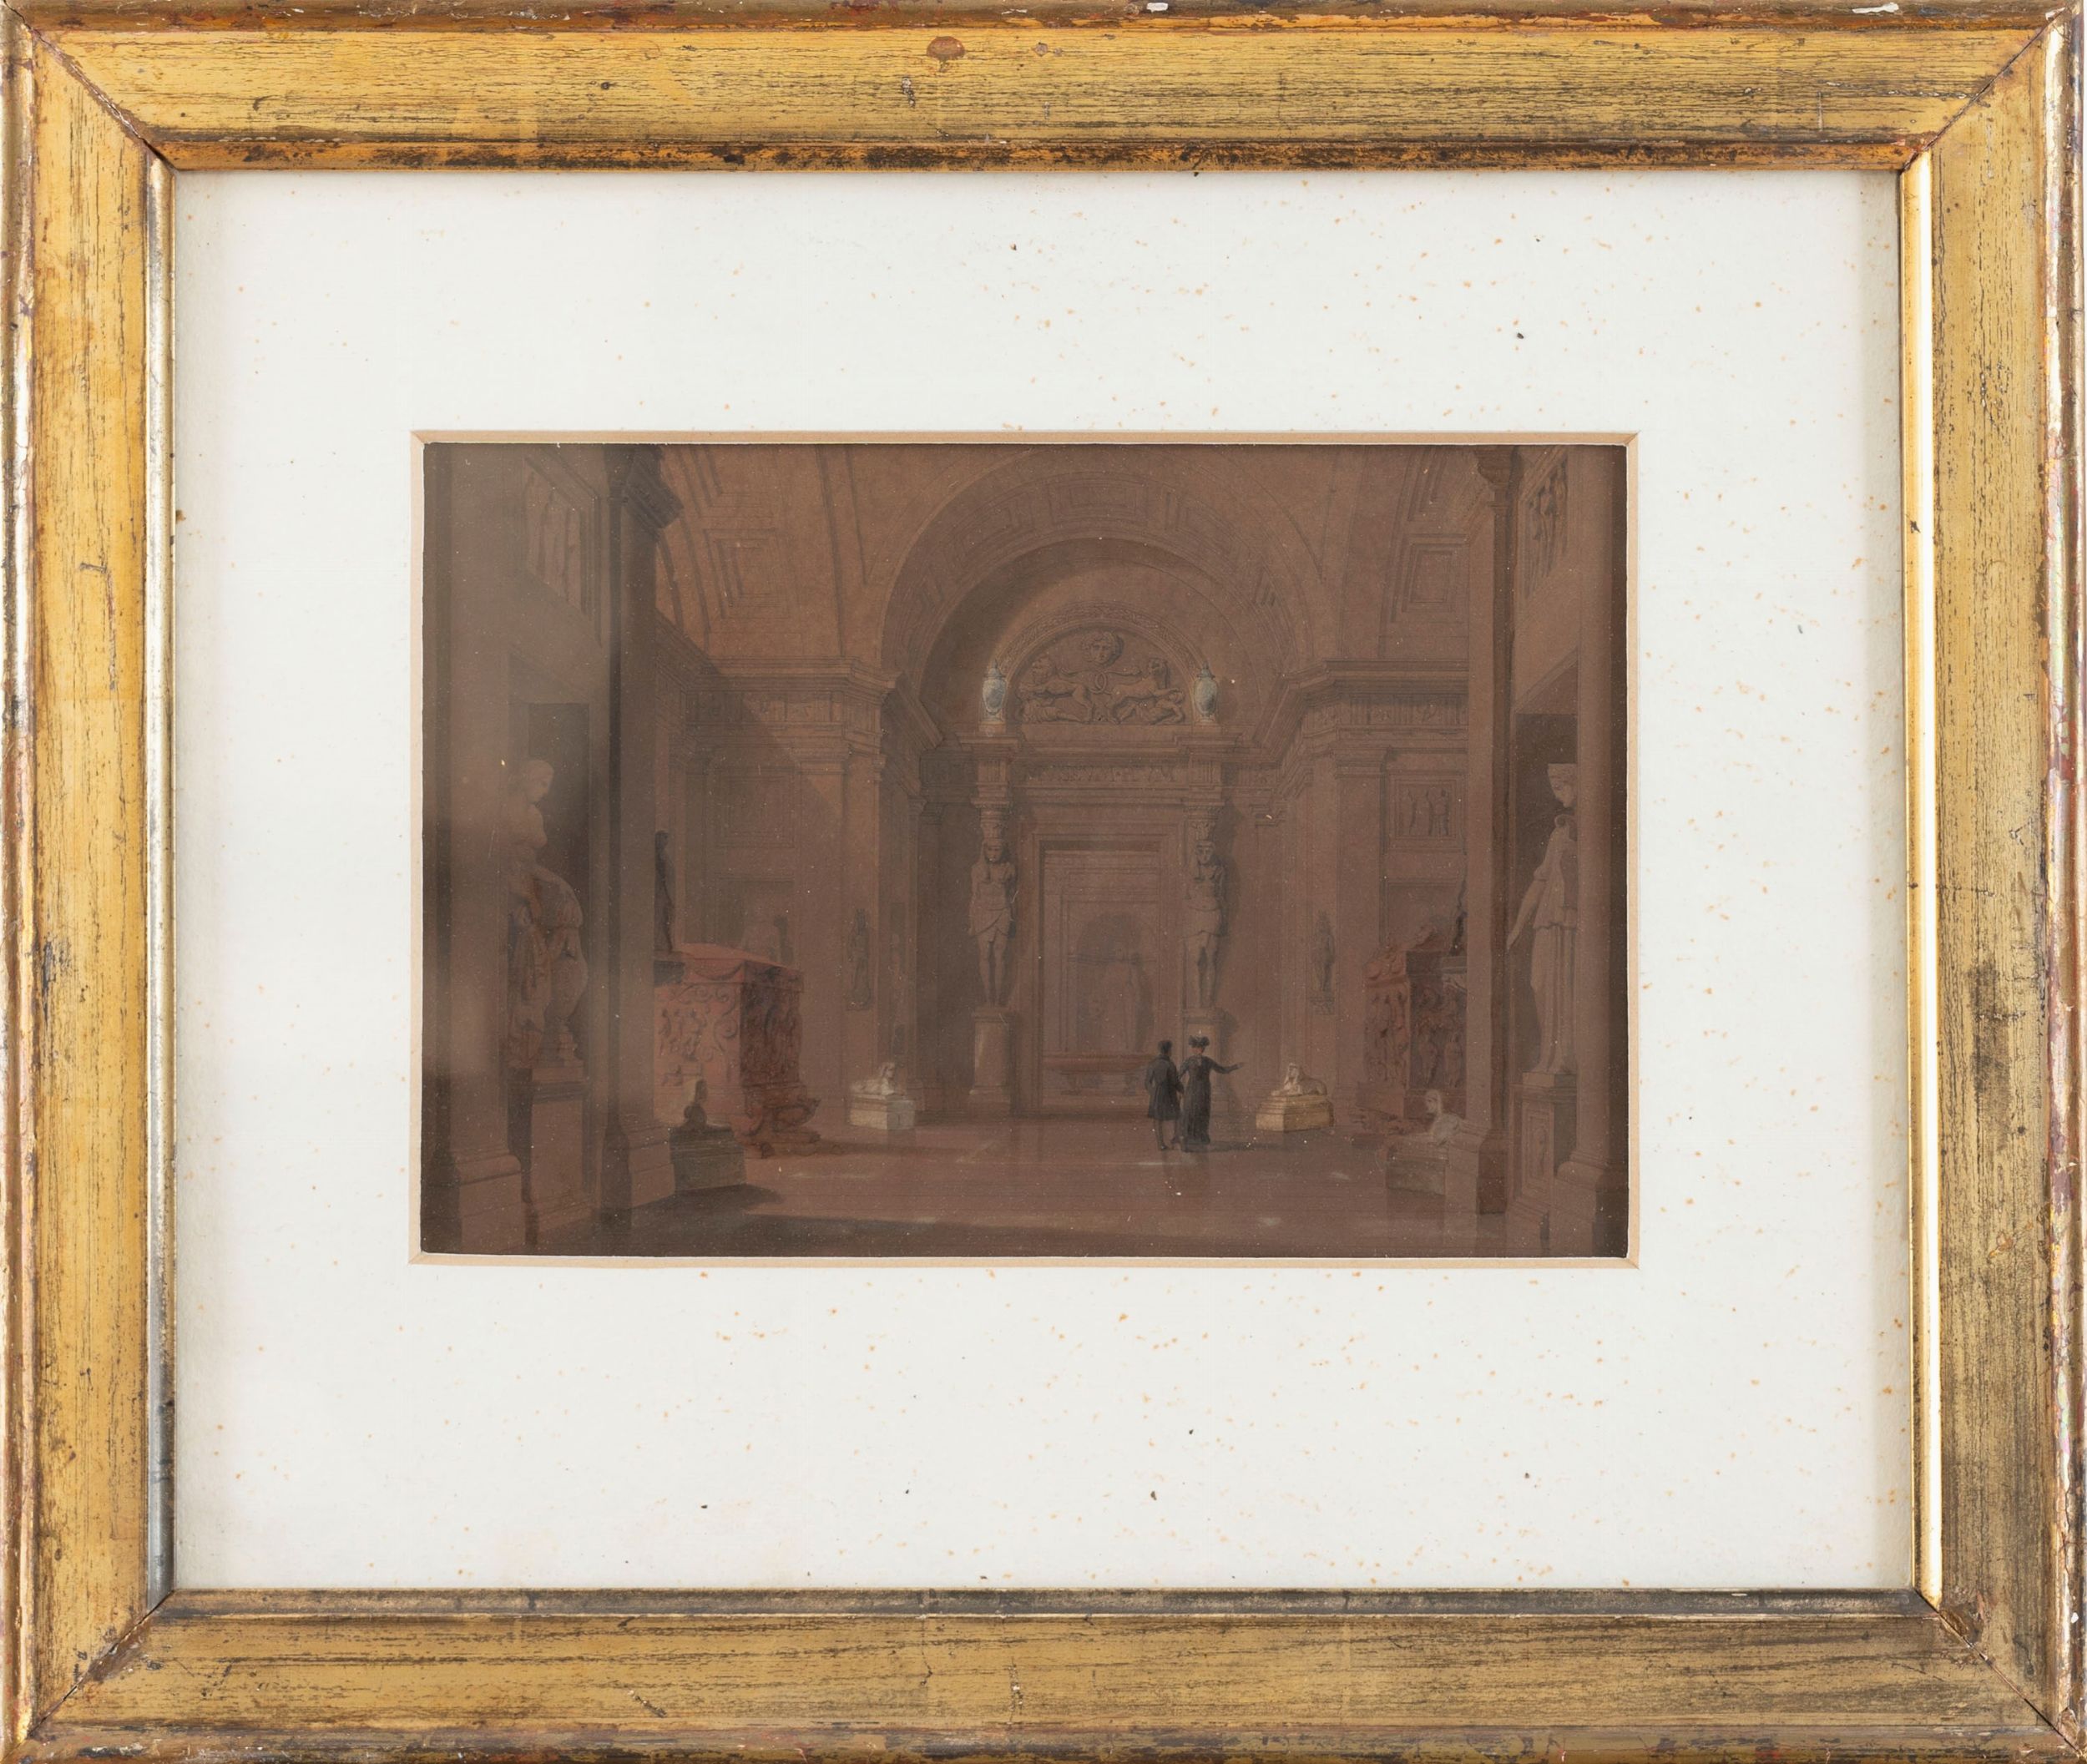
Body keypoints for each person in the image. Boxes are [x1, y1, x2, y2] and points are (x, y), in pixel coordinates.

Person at [1177, 1034, 1241, 1150]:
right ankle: (1189, 1138)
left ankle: (1201, 1137)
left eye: (1202, 1047)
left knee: (1203, 1112)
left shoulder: (1208, 1061)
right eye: (1197, 1047)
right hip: (1192, 1090)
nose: (1200, 1050)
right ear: (1193, 1049)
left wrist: (1235, 1066)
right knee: (1190, 1112)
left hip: (1204, 1091)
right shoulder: (1188, 1061)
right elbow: (1178, 1076)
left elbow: (1222, 1069)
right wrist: (1180, 1090)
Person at [1142, 1039, 1184, 1151]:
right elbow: (1175, 1082)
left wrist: (1153, 1093)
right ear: (1168, 1050)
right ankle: (1175, 1138)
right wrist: (1182, 1091)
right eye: (1171, 1050)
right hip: (1169, 1094)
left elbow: (1147, 1082)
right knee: (1177, 1116)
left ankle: (1161, 1144)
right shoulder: (1170, 1064)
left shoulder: (1153, 1063)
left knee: (1158, 1119)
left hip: (1157, 1095)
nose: (1171, 1052)